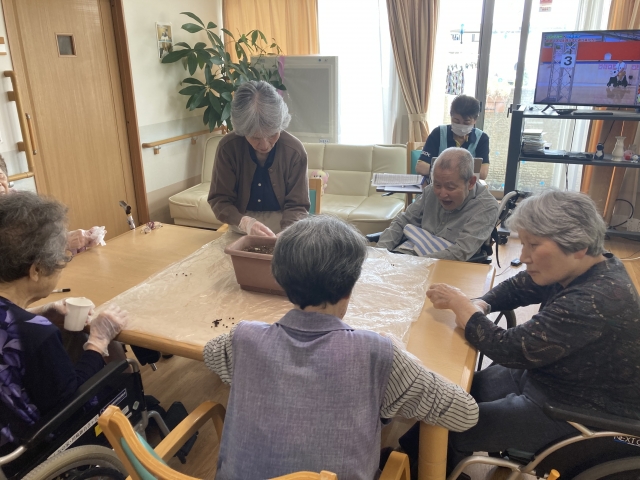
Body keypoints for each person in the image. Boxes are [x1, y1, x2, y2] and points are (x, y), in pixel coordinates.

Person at [204, 215, 479, 480]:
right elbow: (465, 413)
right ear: (350, 287)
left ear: (281, 281)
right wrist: (402, 356)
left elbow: (210, 353)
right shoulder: (378, 353)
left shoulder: (243, 338)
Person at [401, 190, 640, 476]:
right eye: (523, 243)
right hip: (554, 377)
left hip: (574, 409)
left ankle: (418, 467)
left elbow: (509, 348)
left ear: (579, 245)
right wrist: (481, 304)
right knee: (455, 395)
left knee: (447, 422)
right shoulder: (586, 267)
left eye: (533, 245)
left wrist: (462, 306)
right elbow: (520, 286)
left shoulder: (595, 299)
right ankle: (416, 462)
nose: (524, 256)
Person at [0, 192, 128, 451]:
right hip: (36, 449)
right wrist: (98, 342)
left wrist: (40, 312)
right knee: (119, 372)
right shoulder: (38, 336)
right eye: (62, 258)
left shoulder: (29, 329)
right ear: (36, 270)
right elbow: (71, 403)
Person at [207, 80, 309, 237]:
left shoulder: (294, 151)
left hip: (284, 226)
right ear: (242, 131)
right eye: (255, 137)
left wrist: (286, 233)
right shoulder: (228, 148)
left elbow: (298, 205)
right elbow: (219, 200)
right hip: (241, 226)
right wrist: (244, 223)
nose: (265, 145)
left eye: (272, 134)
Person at [377, 148, 498, 261]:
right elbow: (403, 221)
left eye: (450, 187)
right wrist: (379, 253)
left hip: (443, 265)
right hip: (406, 255)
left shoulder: (486, 207)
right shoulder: (430, 190)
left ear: (471, 183)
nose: (442, 194)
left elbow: (460, 252)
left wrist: (414, 264)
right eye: (437, 185)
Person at [0, 155, 106, 254]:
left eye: (1, 176)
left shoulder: (22, 202)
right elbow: (13, 256)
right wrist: (63, 243)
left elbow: (44, 236)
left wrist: (78, 239)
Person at [415, 95, 490, 180]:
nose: (461, 125)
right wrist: (461, 173)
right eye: (456, 121)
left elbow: (483, 173)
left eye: (466, 122)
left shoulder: (482, 138)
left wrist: (444, 171)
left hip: (467, 187)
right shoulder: (438, 133)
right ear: (451, 116)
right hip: (439, 185)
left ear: (475, 119)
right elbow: (421, 167)